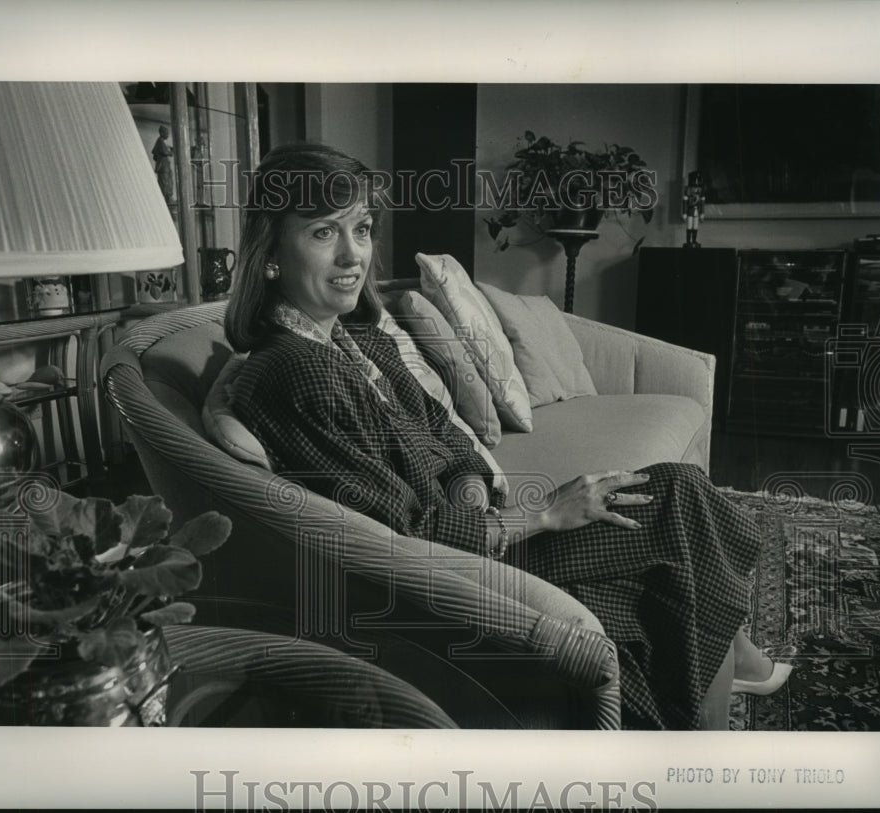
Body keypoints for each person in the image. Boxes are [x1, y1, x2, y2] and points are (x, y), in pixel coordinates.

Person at [224, 142, 791, 730]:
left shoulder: (355, 336)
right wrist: (545, 514)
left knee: (673, 541)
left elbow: (448, 432)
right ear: (270, 253)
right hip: (455, 571)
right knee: (677, 497)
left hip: (480, 529)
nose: (352, 256)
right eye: (323, 233)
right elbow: (399, 537)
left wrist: (468, 483)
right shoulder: (293, 372)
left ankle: (707, 726)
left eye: (362, 229)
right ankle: (727, 695)